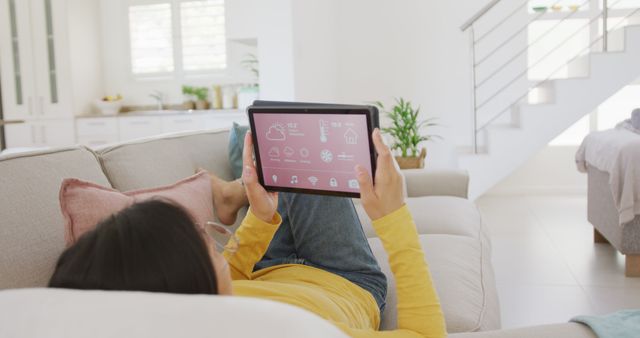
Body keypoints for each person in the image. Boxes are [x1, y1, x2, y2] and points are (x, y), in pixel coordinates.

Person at [49, 129, 446, 338]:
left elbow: (229, 276)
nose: (212, 242)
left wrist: (259, 216)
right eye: (202, 243)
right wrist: (394, 217)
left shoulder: (195, 305)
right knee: (308, 163)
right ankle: (233, 191)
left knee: (288, 159)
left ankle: (236, 194)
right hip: (344, 280)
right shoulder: (293, 333)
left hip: (268, 268)